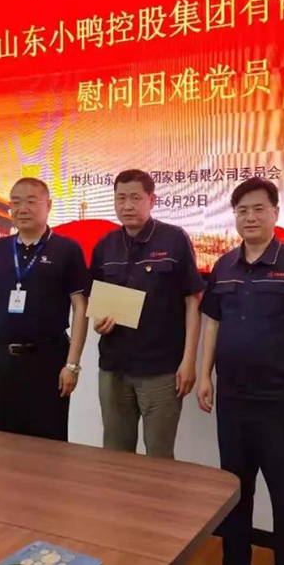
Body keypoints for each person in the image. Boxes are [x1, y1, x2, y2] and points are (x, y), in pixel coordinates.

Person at [197, 177, 284, 565]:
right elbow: (212, 323)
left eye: (258, 209)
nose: (250, 217)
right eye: (242, 211)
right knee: (235, 493)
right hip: (232, 400)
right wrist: (204, 376)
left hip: (280, 402)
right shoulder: (223, 265)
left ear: (275, 212)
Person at [89, 169, 204, 459]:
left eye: (135, 198)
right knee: (115, 454)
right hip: (114, 368)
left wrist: (189, 360)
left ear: (152, 200)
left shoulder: (174, 239)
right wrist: (98, 322)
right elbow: (97, 300)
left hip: (160, 369)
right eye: (121, 198)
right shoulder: (105, 245)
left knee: (159, 457)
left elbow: (193, 300)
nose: (127, 206)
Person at [0, 177, 89, 442]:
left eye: (31, 201)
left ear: (48, 205)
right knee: (3, 440)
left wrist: (72, 364)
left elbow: (81, 308)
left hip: (49, 359)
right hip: (5, 359)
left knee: (49, 442)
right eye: (16, 202)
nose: (22, 209)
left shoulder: (67, 250)